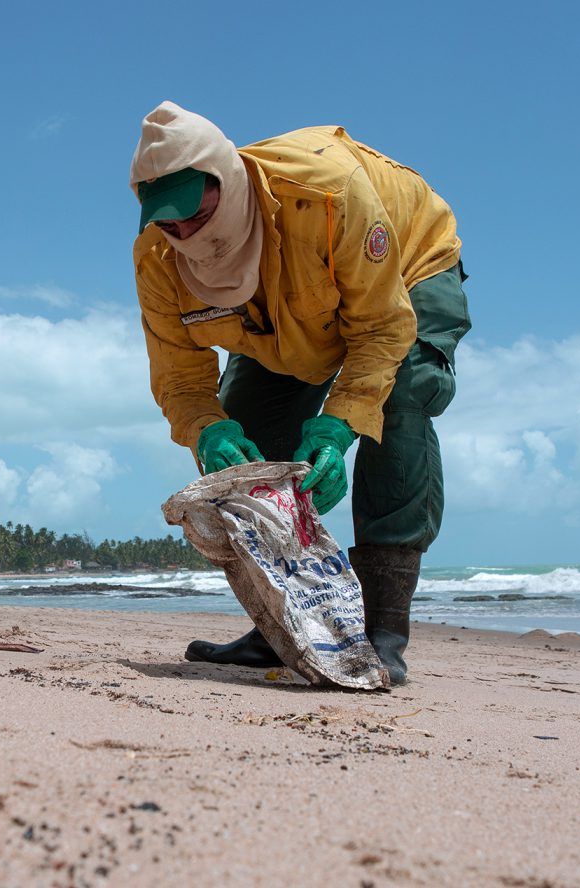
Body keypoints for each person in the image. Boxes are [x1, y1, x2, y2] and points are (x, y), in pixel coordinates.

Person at [130, 102, 471, 684]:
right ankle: (280, 626)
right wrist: (208, 429)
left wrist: (341, 425)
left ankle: (384, 629)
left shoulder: (328, 196)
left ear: (228, 181)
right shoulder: (159, 258)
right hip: (285, 315)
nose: (188, 234)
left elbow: (381, 330)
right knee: (248, 437)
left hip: (404, 270)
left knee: (399, 402)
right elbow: (180, 377)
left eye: (197, 214)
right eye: (170, 223)